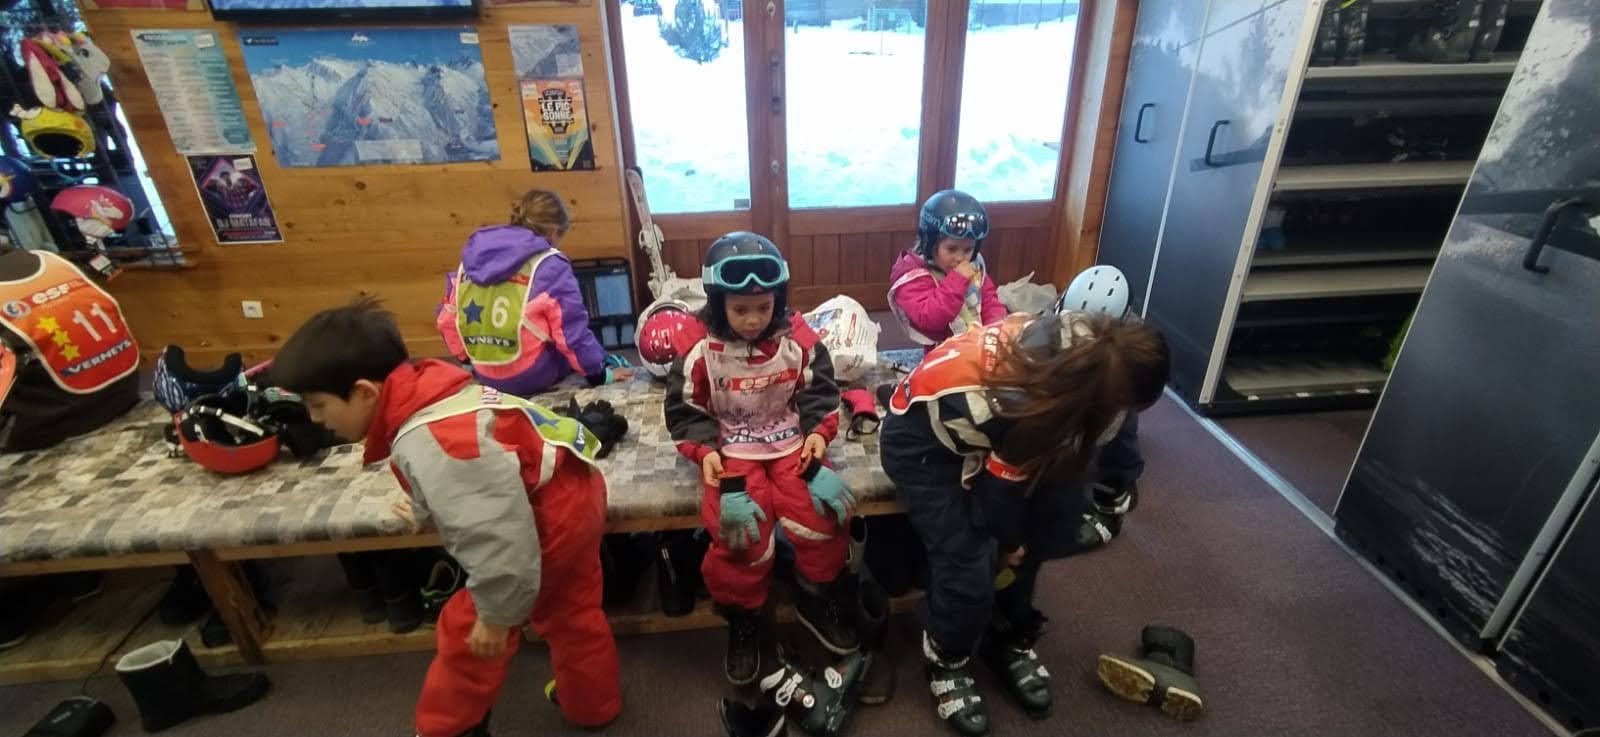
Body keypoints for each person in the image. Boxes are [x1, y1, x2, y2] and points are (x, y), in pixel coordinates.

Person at [271, 298, 621, 737]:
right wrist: (430, 504)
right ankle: (592, 705)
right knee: (573, 613)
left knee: (469, 634)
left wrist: (496, 615)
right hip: (576, 489)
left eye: (318, 403)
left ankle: (448, 729)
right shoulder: (433, 389)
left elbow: (499, 538)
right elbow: (481, 474)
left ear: (364, 392)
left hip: (546, 519)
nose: (314, 418)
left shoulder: (433, 441)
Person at [880, 310, 1169, 736]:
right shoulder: (1023, 400)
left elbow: (1119, 429)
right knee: (970, 564)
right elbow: (1000, 497)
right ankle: (947, 657)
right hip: (923, 443)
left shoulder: (1107, 358)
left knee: (1047, 534)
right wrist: (1008, 540)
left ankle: (1006, 632)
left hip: (1012, 429)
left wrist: (1114, 490)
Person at [664, 232, 855, 686]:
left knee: (822, 516)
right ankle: (743, 617)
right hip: (730, 451)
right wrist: (704, 452)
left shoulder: (797, 338)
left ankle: (815, 595)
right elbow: (684, 408)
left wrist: (819, 435)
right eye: (740, 309)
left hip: (792, 443)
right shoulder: (698, 346)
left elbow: (821, 391)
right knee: (741, 536)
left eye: (763, 308)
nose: (752, 320)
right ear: (718, 303)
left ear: (778, 301)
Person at [437, 189, 630, 396]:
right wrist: (598, 374)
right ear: (554, 231)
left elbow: (447, 320)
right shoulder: (550, 264)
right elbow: (571, 331)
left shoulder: (469, 262)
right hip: (531, 374)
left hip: (484, 373)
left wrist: (468, 361)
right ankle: (600, 362)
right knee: (572, 343)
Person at [886, 190, 1008, 352]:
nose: (960, 258)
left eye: (968, 250)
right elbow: (930, 319)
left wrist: (995, 329)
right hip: (942, 352)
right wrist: (957, 281)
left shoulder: (973, 266)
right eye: (952, 249)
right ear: (930, 244)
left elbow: (989, 301)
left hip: (979, 345)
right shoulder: (913, 275)